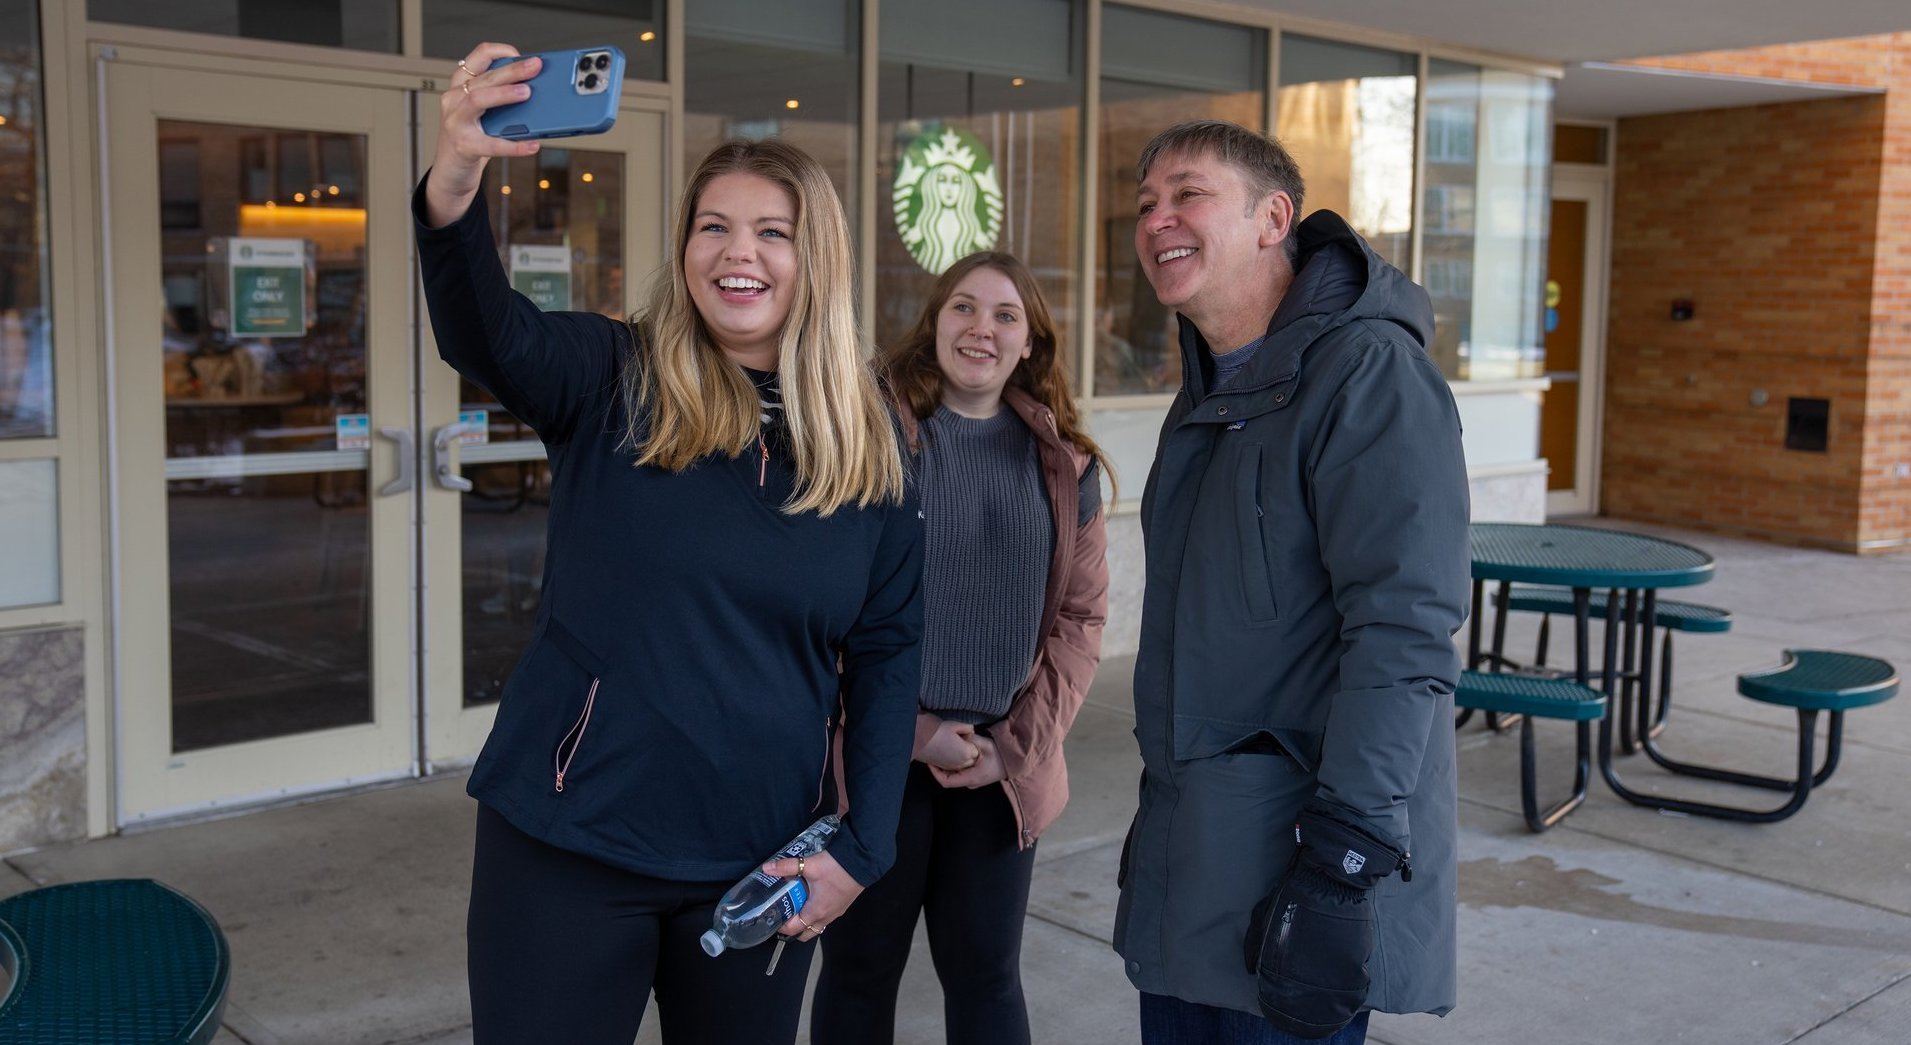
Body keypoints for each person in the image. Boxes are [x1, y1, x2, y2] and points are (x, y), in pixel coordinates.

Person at [416, 43, 923, 1045]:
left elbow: (889, 650)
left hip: (756, 865)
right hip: (568, 847)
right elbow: (486, 332)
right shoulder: (614, 377)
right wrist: (458, 178)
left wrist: (862, 848)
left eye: (772, 232)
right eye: (714, 226)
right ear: (686, 246)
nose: (739, 251)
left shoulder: (872, 445)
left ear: (814, 257)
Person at [1113, 119, 1470, 1044]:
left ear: (1275, 217)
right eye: (1145, 203)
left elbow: (1403, 628)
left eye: (1187, 194)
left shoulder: (1367, 374)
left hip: (1298, 865)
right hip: (1193, 855)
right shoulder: (1209, 393)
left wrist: (1344, 856)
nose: (1157, 220)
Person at [810, 251, 1111, 1045]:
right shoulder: (870, 439)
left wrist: (1010, 748)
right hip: (876, 758)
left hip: (1001, 766)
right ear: (934, 323)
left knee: (985, 977)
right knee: (859, 969)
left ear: (1029, 343)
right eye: (964, 309)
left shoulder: (1064, 465)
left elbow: (1080, 622)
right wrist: (914, 734)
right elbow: (821, 605)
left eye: (1005, 315)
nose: (982, 328)